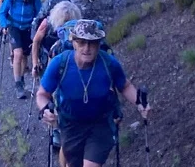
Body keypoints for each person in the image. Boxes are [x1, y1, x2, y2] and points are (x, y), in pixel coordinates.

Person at [36, 21, 149, 167]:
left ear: (99, 44)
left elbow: (125, 86)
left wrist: (140, 103)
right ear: (74, 42)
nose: (87, 48)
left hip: (101, 124)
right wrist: (45, 109)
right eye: (82, 43)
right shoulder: (59, 63)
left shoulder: (108, 63)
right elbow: (42, 94)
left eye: (92, 43)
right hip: (71, 125)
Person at [0, 0, 43, 99]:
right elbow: (2, 11)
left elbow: (40, 14)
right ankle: (18, 85)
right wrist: (5, 25)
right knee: (17, 53)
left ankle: (21, 78)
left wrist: (39, 28)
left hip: (28, 28)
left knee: (24, 56)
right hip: (14, 26)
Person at [32, 0, 83, 78]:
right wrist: (35, 63)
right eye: (65, 21)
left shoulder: (79, 28)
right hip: (47, 59)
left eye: (69, 21)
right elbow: (36, 41)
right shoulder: (47, 24)